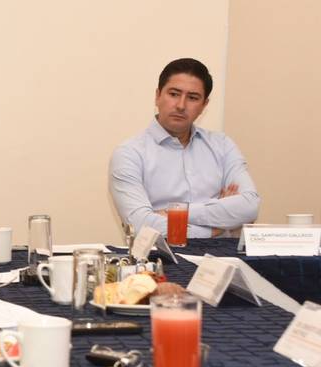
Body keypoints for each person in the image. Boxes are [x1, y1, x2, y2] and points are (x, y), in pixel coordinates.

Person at [110, 58, 260, 238]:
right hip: (161, 255)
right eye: (174, 94)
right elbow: (141, 225)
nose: (181, 105)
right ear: (157, 96)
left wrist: (175, 213)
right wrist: (217, 227)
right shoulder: (129, 154)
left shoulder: (222, 145)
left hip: (223, 255)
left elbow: (250, 207)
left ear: (204, 105)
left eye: (192, 98)